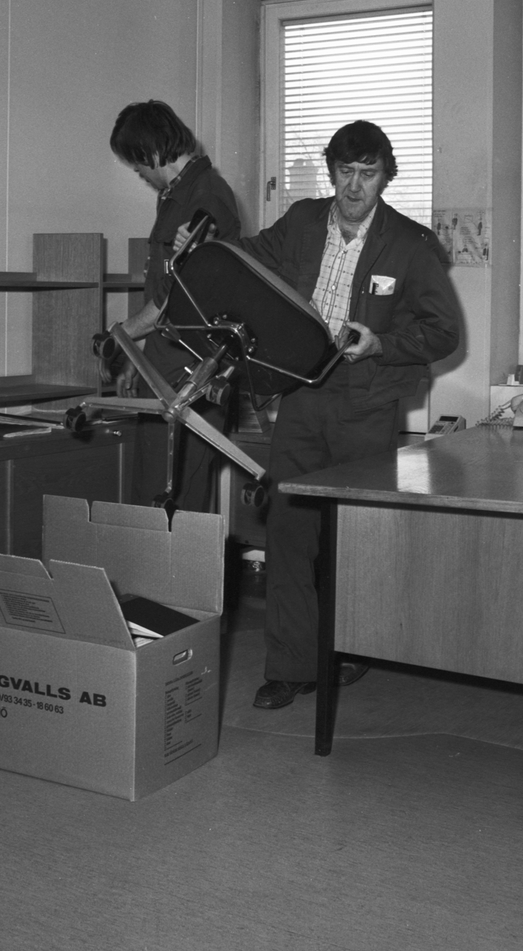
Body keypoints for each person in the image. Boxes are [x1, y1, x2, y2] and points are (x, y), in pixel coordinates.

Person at [238, 120, 461, 710]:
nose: (355, 186)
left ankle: (354, 645)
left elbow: (443, 332)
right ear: (331, 171)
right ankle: (290, 667)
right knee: (289, 530)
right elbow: (247, 259)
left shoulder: (411, 244)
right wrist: (204, 247)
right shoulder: (302, 221)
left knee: (356, 536)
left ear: (386, 176)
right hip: (301, 394)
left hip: (366, 403)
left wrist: (382, 343)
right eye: (345, 172)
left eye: (368, 173)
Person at [104, 100, 241, 512]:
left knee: (178, 499)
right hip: (164, 362)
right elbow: (161, 289)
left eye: (137, 166)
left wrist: (121, 335)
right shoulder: (173, 195)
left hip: (191, 369)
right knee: (152, 491)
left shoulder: (207, 195)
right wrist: (137, 356)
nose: (140, 175)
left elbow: (178, 293)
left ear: (150, 152)